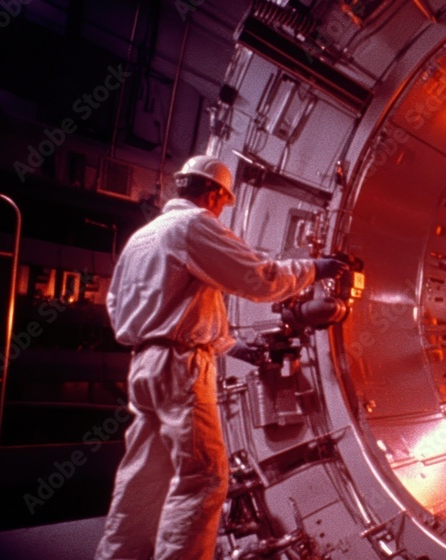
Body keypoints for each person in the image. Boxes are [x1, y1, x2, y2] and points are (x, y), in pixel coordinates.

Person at [95, 155, 348, 559]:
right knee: (205, 478)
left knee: (143, 477)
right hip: (179, 367)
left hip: (144, 367)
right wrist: (313, 269)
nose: (220, 210)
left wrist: (226, 344)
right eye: (222, 203)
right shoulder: (194, 225)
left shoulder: (142, 238)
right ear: (213, 193)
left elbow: (154, 306)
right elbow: (257, 278)